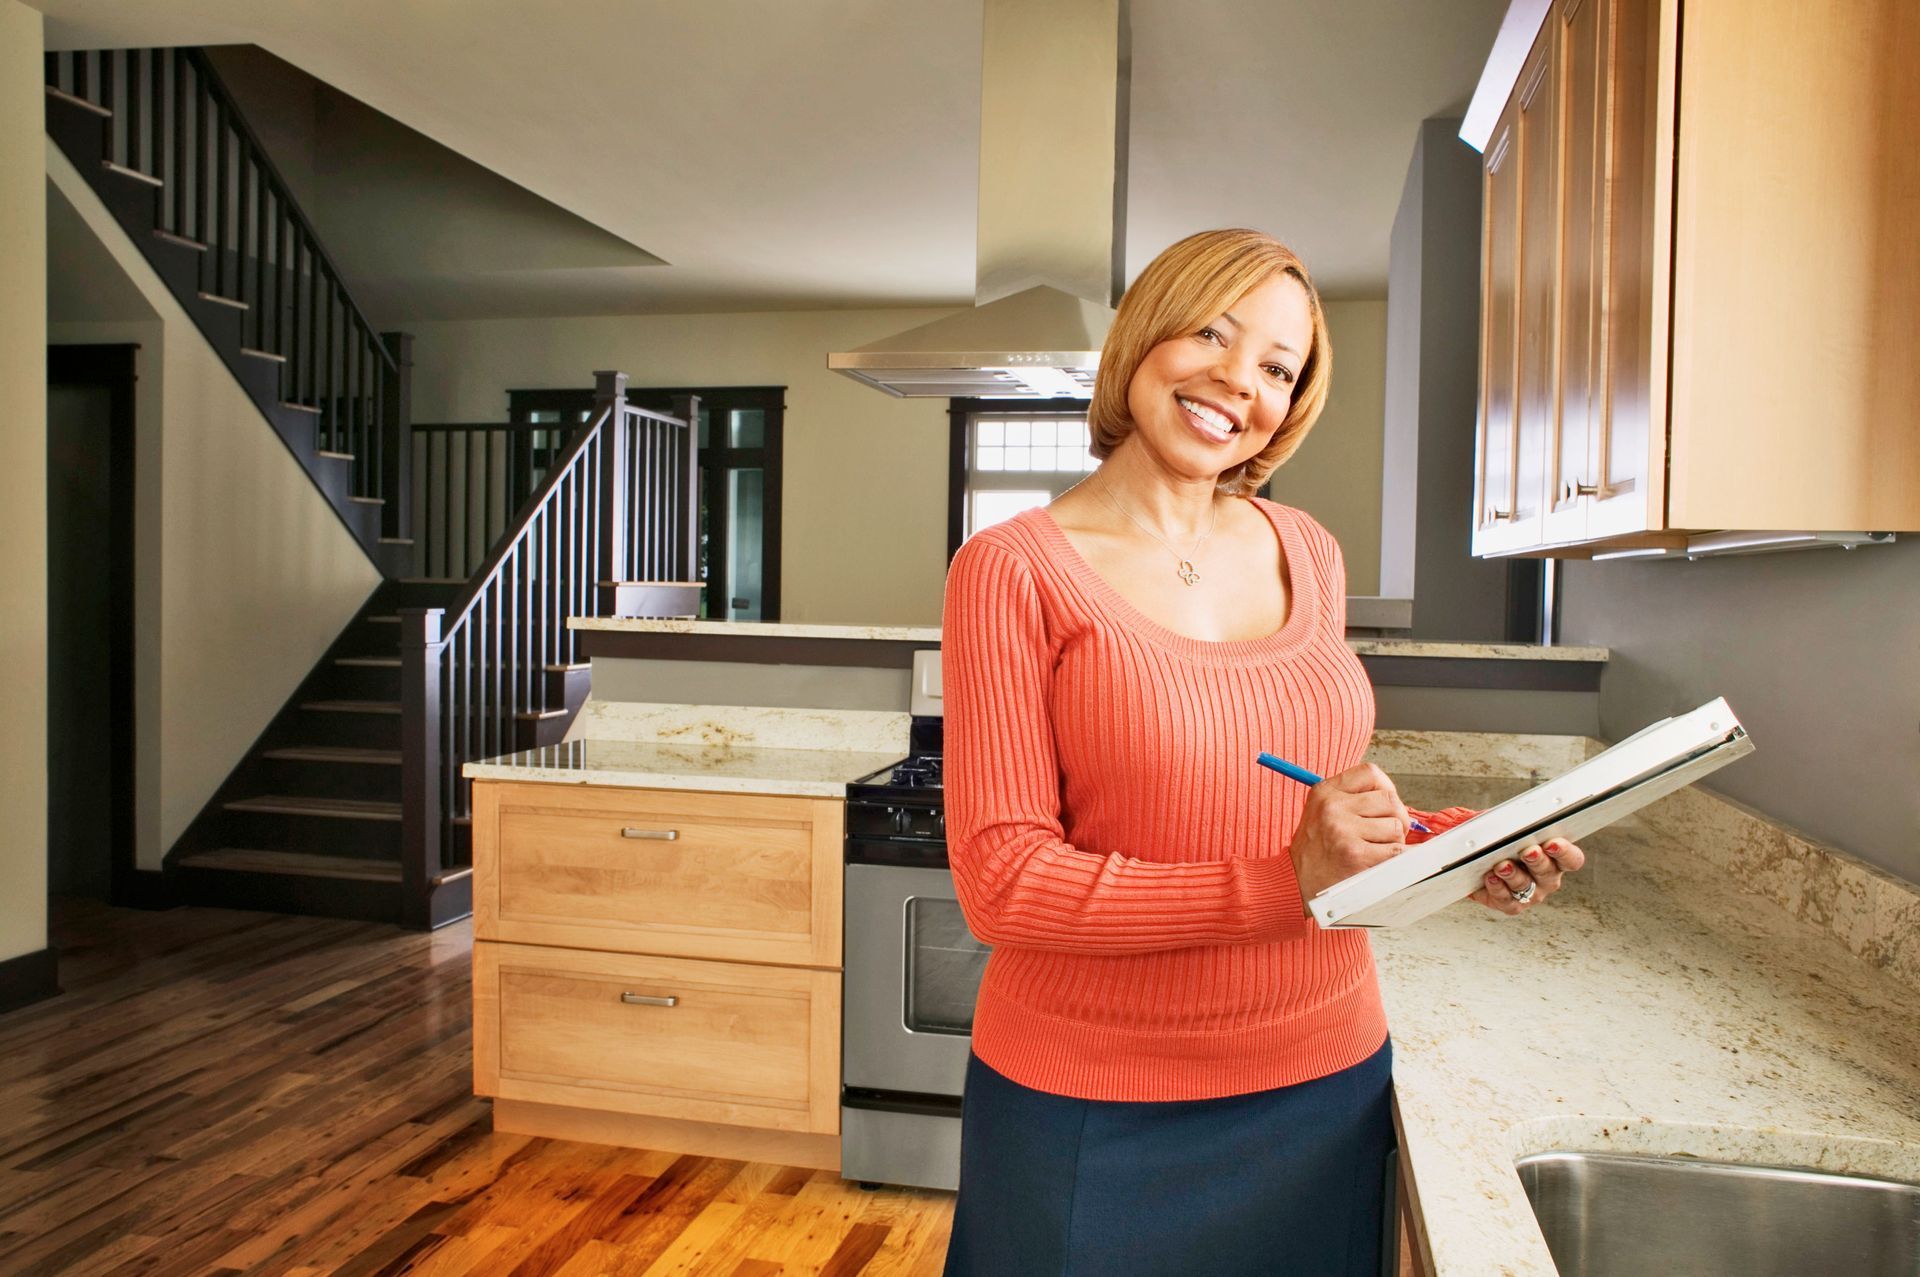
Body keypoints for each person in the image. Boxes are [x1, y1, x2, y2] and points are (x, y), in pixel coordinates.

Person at [939, 228, 1586, 1276]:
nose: (1238, 382)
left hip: (1323, 1083)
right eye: (1212, 333)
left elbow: (1300, 787)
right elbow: (1004, 885)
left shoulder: (1309, 551)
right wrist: (1287, 880)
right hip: (1092, 1103)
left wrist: (1447, 849)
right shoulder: (1010, 571)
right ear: (1146, 335)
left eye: (1278, 368)